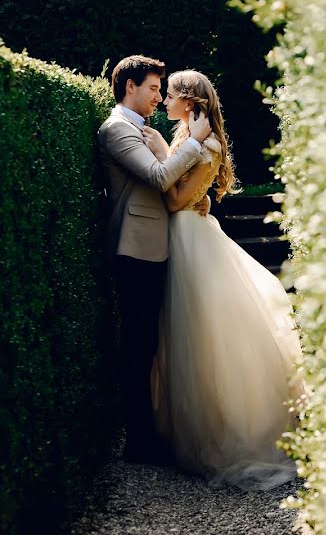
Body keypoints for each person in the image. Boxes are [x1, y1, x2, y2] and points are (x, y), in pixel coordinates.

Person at [147, 69, 306, 491]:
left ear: (190, 101)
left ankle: (223, 436)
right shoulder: (187, 137)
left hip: (194, 244)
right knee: (183, 336)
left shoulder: (208, 144)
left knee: (204, 336)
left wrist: (165, 160)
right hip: (182, 239)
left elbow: (179, 199)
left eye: (172, 95)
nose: (164, 100)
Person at [97, 55, 213, 464]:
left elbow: (171, 181)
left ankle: (149, 434)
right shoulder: (116, 129)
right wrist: (195, 143)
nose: (159, 96)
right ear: (129, 86)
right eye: (152, 88)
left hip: (153, 245)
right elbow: (160, 177)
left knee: (149, 342)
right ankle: (139, 443)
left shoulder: (141, 128)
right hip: (135, 247)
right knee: (138, 344)